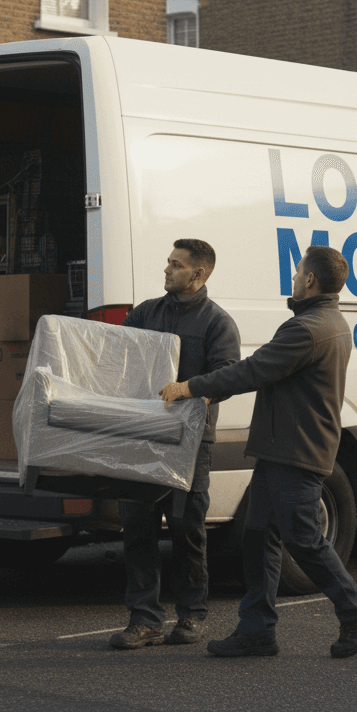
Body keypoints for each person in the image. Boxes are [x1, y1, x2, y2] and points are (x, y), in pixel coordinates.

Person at [160, 245, 357, 659]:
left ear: (311, 280)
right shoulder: (328, 321)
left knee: (304, 539)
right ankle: (257, 629)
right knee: (258, 536)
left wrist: (190, 387)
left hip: (296, 451)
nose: (294, 277)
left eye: (298, 272)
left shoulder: (307, 329)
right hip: (281, 447)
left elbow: (253, 370)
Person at [110, 239, 241, 650]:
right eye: (168, 261)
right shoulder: (147, 312)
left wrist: (190, 391)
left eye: (176, 264)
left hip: (189, 443)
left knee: (186, 529)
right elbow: (116, 353)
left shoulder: (218, 323)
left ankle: (192, 616)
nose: (167, 269)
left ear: (198, 274)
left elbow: (228, 376)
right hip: (142, 436)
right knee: (137, 527)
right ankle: (144, 620)